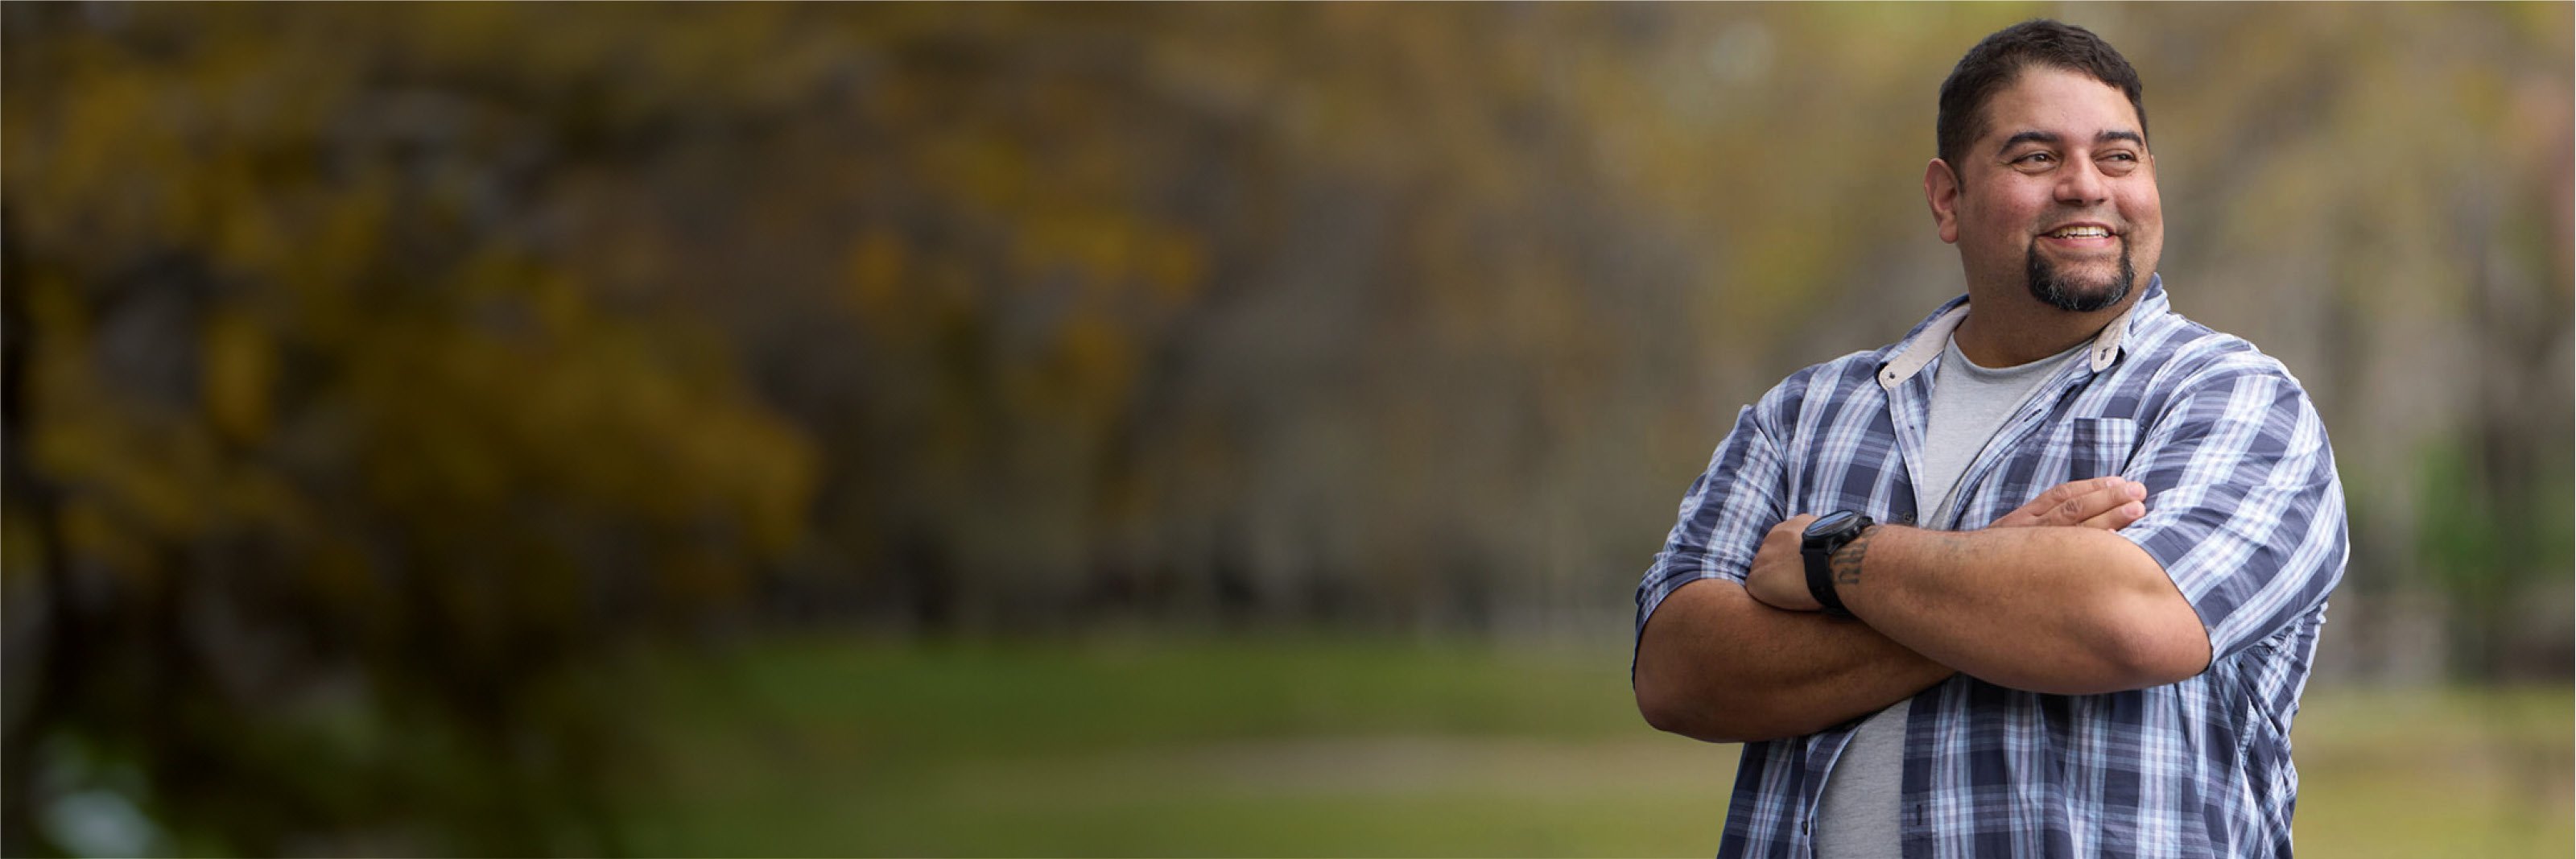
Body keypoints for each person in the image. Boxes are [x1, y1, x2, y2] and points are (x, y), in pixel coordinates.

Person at [1629, 19, 2347, 859]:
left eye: (2117, 156)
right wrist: (2001, 586)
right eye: (2035, 156)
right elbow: (1678, 671)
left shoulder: (2232, 400)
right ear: (1946, 198)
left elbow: (2125, 620)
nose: (2085, 186)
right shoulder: (1804, 415)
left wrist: (1835, 559)